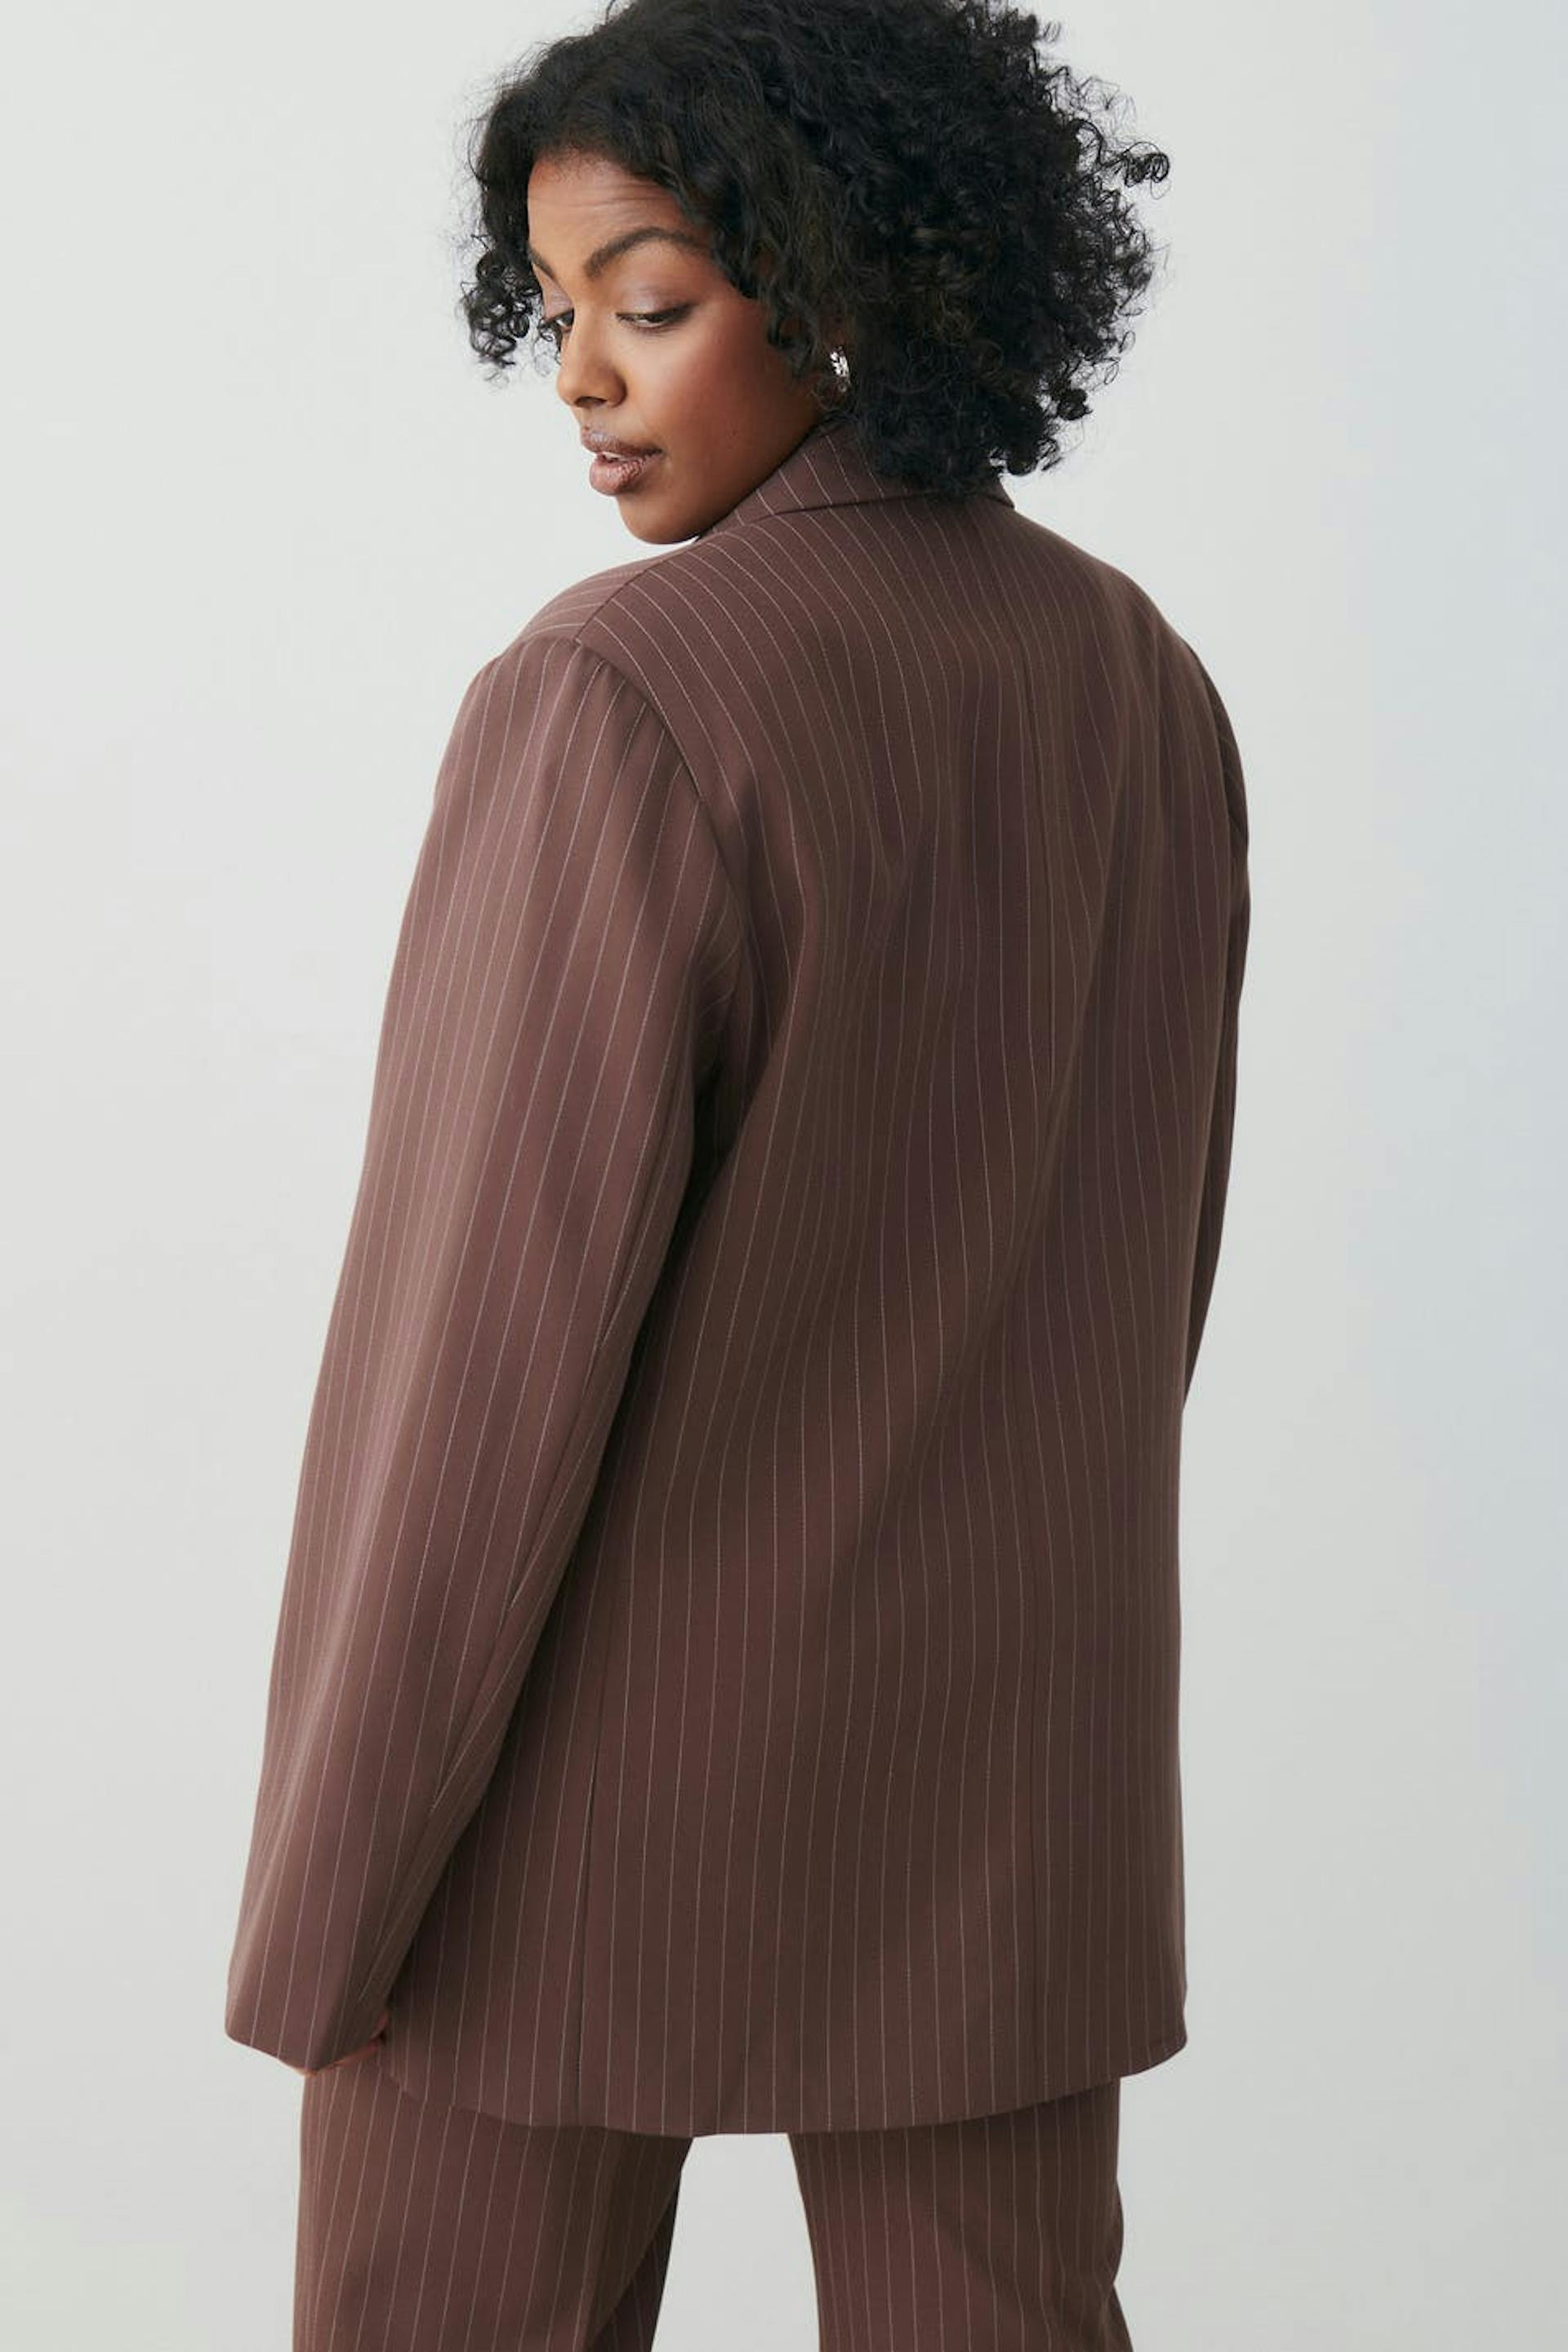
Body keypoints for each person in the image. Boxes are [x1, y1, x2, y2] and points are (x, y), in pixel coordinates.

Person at [224, 2, 1251, 2344]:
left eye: (654, 301)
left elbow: (471, 1368)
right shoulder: (1140, 678)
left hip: (567, 1808)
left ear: (841, 282)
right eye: (555, 310)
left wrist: (335, 1891)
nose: (582, 378)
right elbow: (1146, 1274)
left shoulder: (621, 694)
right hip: (1005, 1787)